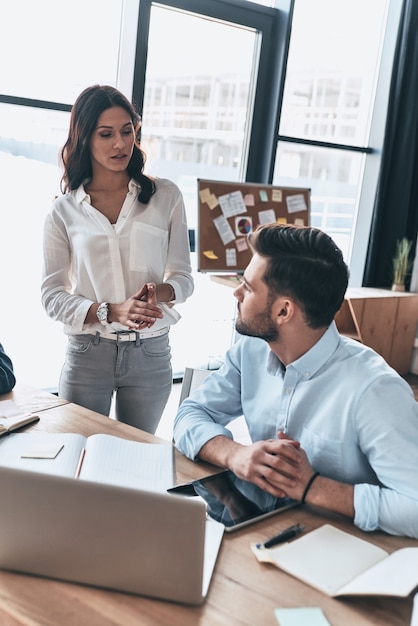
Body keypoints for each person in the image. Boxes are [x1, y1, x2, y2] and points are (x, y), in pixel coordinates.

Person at [174, 223, 418, 538]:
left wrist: (313, 486)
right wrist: (235, 454)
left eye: (247, 287)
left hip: (349, 549)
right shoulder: (251, 349)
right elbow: (189, 414)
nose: (236, 293)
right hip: (268, 531)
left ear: (284, 310)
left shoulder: (375, 391)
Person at [42, 85, 194, 434]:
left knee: (137, 463)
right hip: (87, 353)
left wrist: (160, 293)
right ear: (84, 139)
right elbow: (52, 297)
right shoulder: (62, 211)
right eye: (106, 134)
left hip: (151, 353)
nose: (120, 144)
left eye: (127, 131)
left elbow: (183, 278)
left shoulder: (165, 196)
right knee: (77, 465)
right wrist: (111, 311)